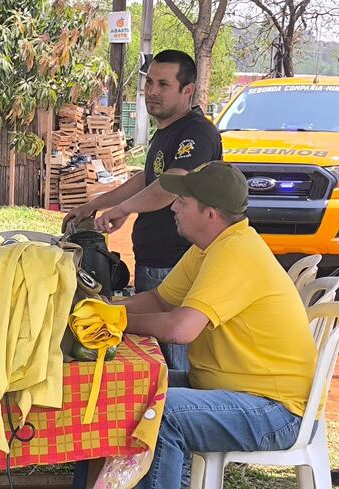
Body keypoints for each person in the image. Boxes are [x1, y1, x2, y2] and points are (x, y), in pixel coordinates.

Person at [121, 161, 316, 488]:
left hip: (277, 411)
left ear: (210, 213)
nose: (174, 207)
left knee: (162, 413)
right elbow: (159, 300)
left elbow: (180, 330)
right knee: (129, 388)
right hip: (236, 392)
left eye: (183, 201)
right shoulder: (209, 248)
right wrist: (102, 308)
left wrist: (118, 321)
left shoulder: (236, 251)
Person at [62, 49, 222, 371]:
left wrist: (123, 209)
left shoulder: (197, 132)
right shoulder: (167, 131)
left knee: (171, 365)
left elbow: (171, 184)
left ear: (187, 90)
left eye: (163, 84)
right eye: (149, 82)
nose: (152, 91)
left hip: (176, 262)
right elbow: (147, 179)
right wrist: (94, 204)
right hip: (153, 262)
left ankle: (175, 404)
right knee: (153, 356)